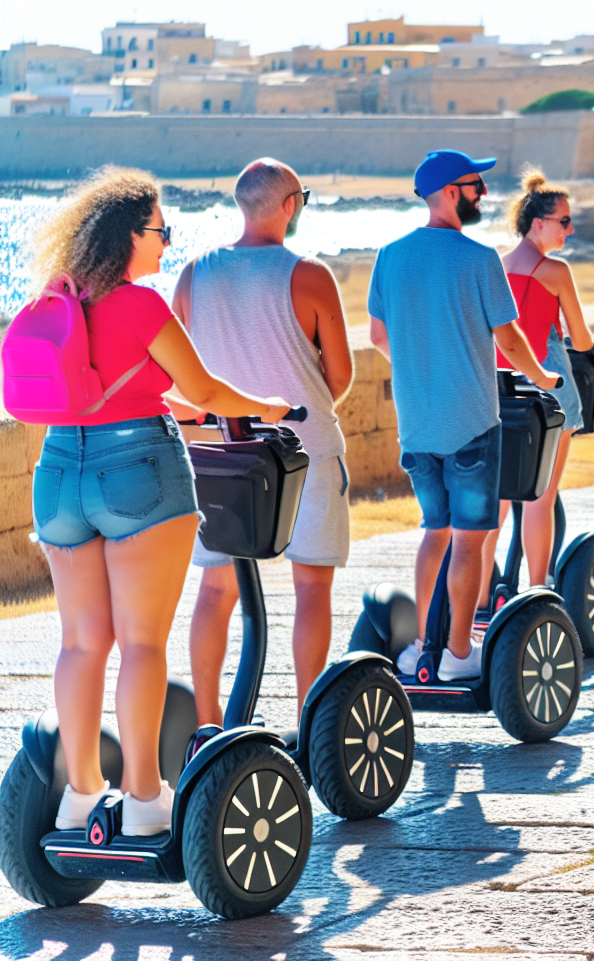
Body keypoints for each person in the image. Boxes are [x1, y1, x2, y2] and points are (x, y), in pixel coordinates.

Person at [29, 167, 291, 836]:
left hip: (59, 470)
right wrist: (266, 406)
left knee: (83, 643)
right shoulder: (142, 305)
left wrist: (178, 408)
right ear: (127, 237)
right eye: (159, 229)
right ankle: (145, 800)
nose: (167, 241)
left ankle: (81, 791)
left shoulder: (61, 299)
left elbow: (107, 385)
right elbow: (205, 388)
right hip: (138, 468)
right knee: (143, 642)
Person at [172, 158, 353, 728]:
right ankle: (307, 722)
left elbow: (179, 377)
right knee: (311, 587)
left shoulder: (193, 273)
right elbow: (340, 376)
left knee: (216, 589)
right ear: (289, 205)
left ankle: (207, 725)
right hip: (304, 449)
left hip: (221, 454)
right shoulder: (311, 275)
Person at [368, 150, 559, 680]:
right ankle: (455, 653)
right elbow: (511, 339)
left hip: (418, 425)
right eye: (476, 184)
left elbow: (380, 337)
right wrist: (543, 379)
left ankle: (420, 649)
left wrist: (421, 367)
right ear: (451, 191)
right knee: (470, 538)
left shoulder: (389, 256)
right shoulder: (479, 259)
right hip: (473, 423)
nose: (483, 193)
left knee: (435, 531)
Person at [476, 170, 594, 604]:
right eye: (564, 221)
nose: (571, 229)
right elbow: (581, 342)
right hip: (548, 394)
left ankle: (484, 598)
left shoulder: (496, 266)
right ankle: (537, 590)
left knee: (499, 502)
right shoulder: (556, 271)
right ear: (538, 223)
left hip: (501, 393)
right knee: (541, 499)